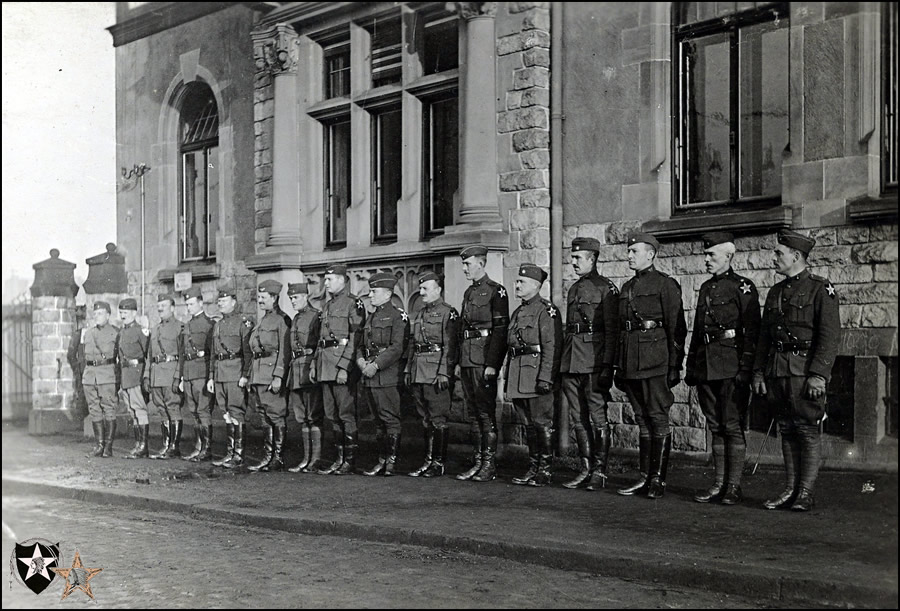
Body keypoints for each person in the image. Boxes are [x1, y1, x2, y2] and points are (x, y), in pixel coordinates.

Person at [752, 230, 840, 512]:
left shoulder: (820, 289)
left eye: (779, 253)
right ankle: (790, 489)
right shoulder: (776, 292)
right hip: (778, 371)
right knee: (786, 429)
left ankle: (805, 492)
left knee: (806, 430)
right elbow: (765, 338)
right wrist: (758, 373)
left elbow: (829, 337)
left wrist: (818, 375)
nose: (774, 257)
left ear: (797, 256)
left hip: (804, 373)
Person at [684, 233, 761, 505]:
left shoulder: (744, 288)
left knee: (732, 425)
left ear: (728, 257)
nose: (706, 260)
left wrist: (746, 368)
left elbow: (752, 332)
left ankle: (734, 486)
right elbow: (697, 332)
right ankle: (718, 484)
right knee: (715, 425)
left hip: (731, 366)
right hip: (706, 366)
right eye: (705, 255)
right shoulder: (705, 288)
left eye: (711, 255)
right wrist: (691, 364)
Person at [616, 233, 687, 499]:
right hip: (630, 362)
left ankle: (658, 480)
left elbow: (676, 327)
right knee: (641, 419)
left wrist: (674, 365)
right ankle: (644, 477)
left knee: (657, 418)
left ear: (651, 254)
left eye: (635, 251)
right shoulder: (626, 288)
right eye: (629, 251)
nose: (630, 256)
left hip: (655, 361)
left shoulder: (665, 285)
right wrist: (618, 366)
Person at [559, 237, 620, 490]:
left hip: (593, 360)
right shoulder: (574, 289)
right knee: (577, 417)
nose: (573, 262)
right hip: (571, 360)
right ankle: (585, 468)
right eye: (572, 258)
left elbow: (612, 331)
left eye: (577, 258)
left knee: (597, 417)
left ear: (592, 259)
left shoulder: (606, 288)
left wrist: (608, 365)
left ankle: (599, 471)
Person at [505, 264, 563, 487]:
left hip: (537, 374)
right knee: (528, 424)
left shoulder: (546, 310)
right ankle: (533, 467)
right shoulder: (518, 312)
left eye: (522, 282)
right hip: (519, 374)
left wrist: (546, 378)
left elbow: (551, 347)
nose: (517, 285)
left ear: (537, 285)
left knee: (542, 424)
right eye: (517, 281)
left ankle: (545, 470)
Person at [456, 246, 509, 483]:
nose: (464, 268)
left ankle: (489, 464)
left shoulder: (496, 291)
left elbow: (500, 331)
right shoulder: (469, 292)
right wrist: (459, 361)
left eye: (468, 264)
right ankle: (478, 462)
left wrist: (492, 364)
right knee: (474, 413)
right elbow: (462, 330)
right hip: (468, 359)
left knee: (486, 413)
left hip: (483, 359)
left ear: (481, 263)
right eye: (464, 264)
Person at [405, 271, 459, 478]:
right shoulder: (420, 313)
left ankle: (438, 463)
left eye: (426, 288)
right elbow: (413, 344)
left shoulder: (448, 313)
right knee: (425, 419)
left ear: (438, 289)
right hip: (419, 371)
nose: (421, 292)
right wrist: (408, 369)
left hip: (436, 372)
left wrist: (444, 372)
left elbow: (450, 345)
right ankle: (428, 461)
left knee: (438, 419)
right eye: (420, 288)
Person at [314, 264, 366, 475]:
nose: (325, 284)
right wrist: (315, 365)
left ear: (343, 280)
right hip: (326, 366)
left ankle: (350, 461)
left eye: (330, 279)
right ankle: (339, 458)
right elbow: (322, 339)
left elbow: (355, 338)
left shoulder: (354, 303)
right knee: (331, 414)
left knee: (345, 414)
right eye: (325, 279)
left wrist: (344, 367)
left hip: (341, 367)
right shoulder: (327, 306)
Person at [359, 272, 410, 477]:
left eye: (374, 292)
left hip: (387, 375)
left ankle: (391, 462)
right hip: (369, 375)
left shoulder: (398, 316)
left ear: (388, 294)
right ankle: (381, 459)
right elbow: (361, 345)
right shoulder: (371, 317)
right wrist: (361, 361)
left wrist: (376, 365)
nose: (370, 295)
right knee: (377, 420)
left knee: (390, 419)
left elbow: (397, 348)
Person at [207, 287, 254, 469]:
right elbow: (213, 354)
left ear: (234, 302)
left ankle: (239, 454)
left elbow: (248, 352)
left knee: (236, 412)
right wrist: (211, 376)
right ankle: (230, 452)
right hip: (220, 373)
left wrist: (245, 375)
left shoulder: (243, 322)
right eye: (219, 301)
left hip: (235, 372)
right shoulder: (218, 324)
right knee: (226, 412)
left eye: (224, 301)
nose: (220, 304)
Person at [247, 280, 290, 472]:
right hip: (258, 375)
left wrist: (278, 376)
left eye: (264, 298)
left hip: (271, 374)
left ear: (274, 298)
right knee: (264, 417)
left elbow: (284, 350)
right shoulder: (263, 320)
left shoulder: (282, 320)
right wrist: (251, 377)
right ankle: (268, 456)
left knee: (276, 415)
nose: (260, 301)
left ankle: (278, 457)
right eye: (260, 297)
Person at [285, 282, 324, 473]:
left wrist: (315, 366)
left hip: (309, 368)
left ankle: (315, 459)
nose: (293, 301)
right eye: (291, 298)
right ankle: (306, 459)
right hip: (296, 370)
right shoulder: (295, 318)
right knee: (302, 417)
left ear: (305, 296)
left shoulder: (316, 316)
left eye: (296, 298)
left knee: (313, 415)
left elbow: (319, 345)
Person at [143, 294, 184, 460]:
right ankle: (166, 445)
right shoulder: (155, 329)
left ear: (173, 308)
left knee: (173, 408)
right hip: (157, 374)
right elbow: (149, 355)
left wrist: (178, 377)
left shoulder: (180, 328)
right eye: (159, 306)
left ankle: (174, 447)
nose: (160, 309)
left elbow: (181, 355)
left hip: (171, 372)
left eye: (164, 306)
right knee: (161, 409)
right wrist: (147, 375)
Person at [179, 286, 215, 462]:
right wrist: (181, 376)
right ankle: (198, 446)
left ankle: (206, 449)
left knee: (203, 410)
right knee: (193, 411)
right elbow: (182, 354)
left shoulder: (210, 325)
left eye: (192, 304)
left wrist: (210, 376)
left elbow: (212, 353)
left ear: (201, 303)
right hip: (189, 372)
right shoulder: (187, 326)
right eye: (187, 304)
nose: (189, 308)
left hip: (202, 371)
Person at [79, 301, 120, 457]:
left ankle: (108, 447)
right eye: (95, 314)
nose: (97, 316)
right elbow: (82, 357)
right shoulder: (88, 333)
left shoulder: (115, 333)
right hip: (90, 376)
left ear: (108, 315)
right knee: (94, 410)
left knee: (109, 409)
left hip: (107, 374)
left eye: (101, 313)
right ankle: (99, 445)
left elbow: (119, 357)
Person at [113, 297, 147, 459]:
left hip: (136, 374)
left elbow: (148, 354)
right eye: (121, 312)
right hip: (125, 375)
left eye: (125, 312)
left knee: (139, 408)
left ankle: (144, 445)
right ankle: (138, 444)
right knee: (132, 411)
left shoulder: (141, 331)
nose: (123, 315)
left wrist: (145, 377)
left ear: (134, 313)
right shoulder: (122, 332)